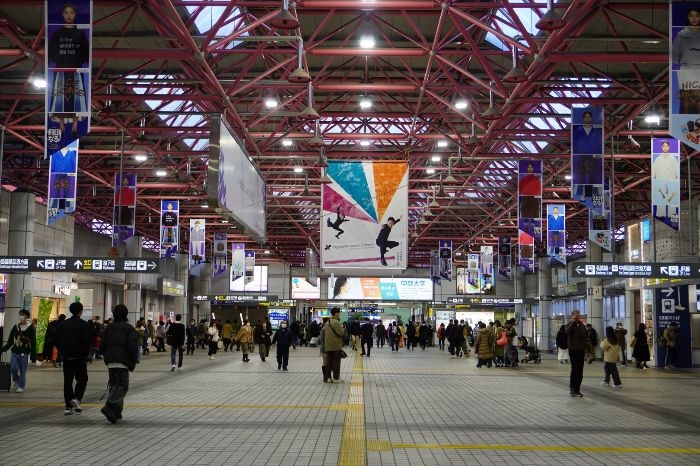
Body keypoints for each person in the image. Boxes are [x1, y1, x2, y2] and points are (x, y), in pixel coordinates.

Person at [100, 304, 138, 424]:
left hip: (111, 361)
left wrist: (106, 355)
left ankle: (116, 412)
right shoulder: (129, 328)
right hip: (123, 361)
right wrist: (133, 360)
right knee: (122, 386)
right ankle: (110, 405)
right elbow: (133, 347)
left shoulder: (108, 328)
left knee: (114, 386)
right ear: (126, 314)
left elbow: (102, 345)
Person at [55, 302, 93, 415]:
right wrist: (87, 354)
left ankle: (68, 407)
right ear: (81, 311)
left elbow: (57, 340)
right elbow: (88, 341)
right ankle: (76, 398)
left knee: (68, 381)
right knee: (82, 379)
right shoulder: (84, 325)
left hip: (67, 357)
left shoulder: (63, 324)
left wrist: (62, 352)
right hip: (80, 358)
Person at [672, 7, 700, 113]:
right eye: (691, 16)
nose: (694, 18)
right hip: (686, 70)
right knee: (686, 101)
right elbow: (674, 56)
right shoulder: (681, 34)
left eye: (697, 16)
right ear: (688, 18)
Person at [1, 309, 36, 393]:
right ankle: (16, 381)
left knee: (23, 371)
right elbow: (10, 341)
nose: (20, 316)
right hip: (14, 352)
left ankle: (21, 386)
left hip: (24, 353)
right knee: (13, 368)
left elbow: (33, 342)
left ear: (27, 316)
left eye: (22, 314)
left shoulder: (31, 328)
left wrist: (33, 357)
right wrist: (2, 349)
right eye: (20, 314)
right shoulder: (15, 327)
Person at [565, 310, 589, 397]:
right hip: (573, 350)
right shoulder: (569, 324)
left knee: (580, 370)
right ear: (572, 316)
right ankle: (572, 389)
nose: (577, 317)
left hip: (581, 350)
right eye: (575, 316)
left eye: (578, 315)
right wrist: (572, 322)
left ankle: (577, 389)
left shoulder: (581, 325)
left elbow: (585, 335)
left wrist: (588, 351)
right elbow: (567, 332)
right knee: (575, 369)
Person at [324, 307, 345, 383]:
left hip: (328, 346)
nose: (339, 314)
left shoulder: (327, 322)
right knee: (336, 362)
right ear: (336, 313)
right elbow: (341, 333)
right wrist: (343, 329)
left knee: (329, 362)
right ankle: (336, 378)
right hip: (336, 345)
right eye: (339, 312)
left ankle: (328, 378)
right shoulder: (336, 322)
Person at [319, 317, 329, 382]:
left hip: (326, 348)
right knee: (325, 362)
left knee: (325, 362)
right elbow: (322, 339)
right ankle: (325, 377)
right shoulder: (324, 329)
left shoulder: (325, 328)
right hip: (325, 348)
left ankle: (326, 376)